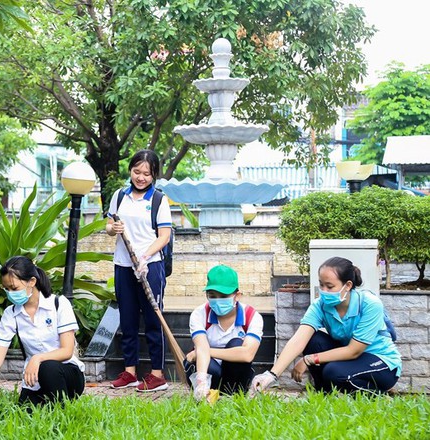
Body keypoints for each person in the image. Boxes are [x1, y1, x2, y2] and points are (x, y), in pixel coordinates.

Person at [252, 256, 402, 394]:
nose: (324, 291)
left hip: (380, 362)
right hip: (351, 360)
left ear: (348, 285)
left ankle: (379, 392)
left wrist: (308, 359)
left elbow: (354, 351)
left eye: (330, 286)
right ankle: (324, 395)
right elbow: (298, 340)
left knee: (334, 372)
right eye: (321, 285)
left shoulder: (369, 304)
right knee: (313, 340)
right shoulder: (321, 305)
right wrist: (271, 375)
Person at [0, 256, 85, 406]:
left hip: (67, 373)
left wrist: (37, 358)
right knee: (25, 410)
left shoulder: (58, 304)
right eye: (7, 289)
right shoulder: (11, 314)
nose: (10, 293)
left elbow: (67, 351)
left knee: (48, 368)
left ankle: (63, 408)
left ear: (32, 281)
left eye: (14, 288)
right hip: (34, 378)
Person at [105, 149, 172, 392]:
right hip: (123, 265)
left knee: (154, 319)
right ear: (130, 170)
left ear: (154, 175)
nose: (140, 177)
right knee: (128, 319)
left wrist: (144, 257)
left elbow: (164, 236)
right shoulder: (119, 196)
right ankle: (130, 372)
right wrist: (114, 228)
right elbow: (109, 226)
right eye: (136, 172)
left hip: (149, 267)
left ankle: (157, 374)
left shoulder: (158, 200)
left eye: (146, 173)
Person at [185, 265, 264, 400]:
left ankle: (231, 396)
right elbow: (201, 345)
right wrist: (202, 381)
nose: (217, 300)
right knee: (206, 364)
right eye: (212, 296)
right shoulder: (199, 314)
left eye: (223, 296)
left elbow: (247, 354)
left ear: (237, 296)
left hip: (235, 374)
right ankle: (206, 395)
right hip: (208, 368)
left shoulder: (251, 316)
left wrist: (203, 351)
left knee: (236, 344)